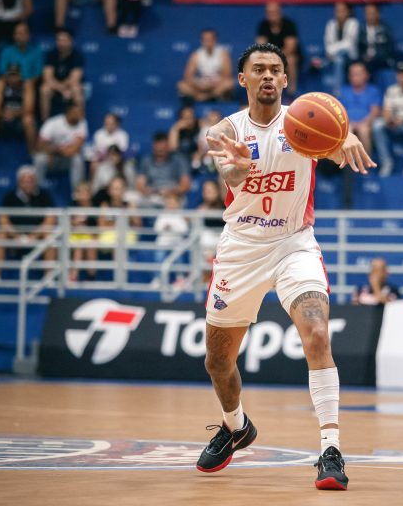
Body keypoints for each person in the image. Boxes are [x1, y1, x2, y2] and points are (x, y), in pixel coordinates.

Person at [195, 42, 376, 490]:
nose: (268, 76)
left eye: (276, 69)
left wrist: (345, 137)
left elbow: (334, 144)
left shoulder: (304, 120)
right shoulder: (225, 130)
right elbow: (230, 176)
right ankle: (235, 426)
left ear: (286, 79)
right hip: (241, 249)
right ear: (243, 79)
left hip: (294, 244)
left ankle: (331, 450)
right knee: (217, 362)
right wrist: (238, 169)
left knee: (317, 333)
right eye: (259, 69)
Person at [0, 165, 55, 285]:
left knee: (50, 236)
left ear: (35, 181)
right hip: (14, 235)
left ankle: (49, 277)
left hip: (37, 235)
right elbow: (3, 220)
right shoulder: (9, 196)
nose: (28, 184)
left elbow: (50, 220)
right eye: (25, 181)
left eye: (31, 181)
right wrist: (17, 236)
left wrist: (33, 236)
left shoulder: (44, 196)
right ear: (19, 182)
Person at [0, 63, 37, 170]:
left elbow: (29, 108)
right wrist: (4, 114)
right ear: (7, 75)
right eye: (11, 75)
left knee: (29, 120)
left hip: (20, 120)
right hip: (3, 118)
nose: (13, 78)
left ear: (20, 75)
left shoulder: (27, 84)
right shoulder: (1, 83)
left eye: (15, 75)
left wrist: (13, 114)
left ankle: (32, 157)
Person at [33, 102, 88, 191]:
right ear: (69, 112)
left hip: (66, 160)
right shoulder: (53, 123)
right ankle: (37, 191)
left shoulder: (82, 123)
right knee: (39, 158)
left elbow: (74, 149)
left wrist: (58, 149)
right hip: (51, 159)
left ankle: (77, 193)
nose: (80, 115)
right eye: (77, 112)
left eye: (81, 112)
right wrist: (56, 150)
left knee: (77, 159)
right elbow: (39, 146)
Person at [177, 29, 234, 103]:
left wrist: (214, 83)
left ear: (215, 40)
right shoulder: (196, 55)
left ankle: (205, 97)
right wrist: (199, 85)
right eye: (206, 39)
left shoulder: (223, 53)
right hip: (201, 84)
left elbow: (227, 75)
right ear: (201, 41)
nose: (208, 42)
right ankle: (204, 97)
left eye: (210, 39)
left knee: (229, 83)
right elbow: (188, 76)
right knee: (181, 85)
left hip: (217, 84)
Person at [135, 131, 191, 206]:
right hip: (152, 195)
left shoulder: (179, 160)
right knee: (133, 201)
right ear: (153, 147)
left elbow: (185, 185)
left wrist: (171, 192)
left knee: (172, 202)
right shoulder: (146, 161)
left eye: (162, 150)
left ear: (168, 147)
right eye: (157, 151)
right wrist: (148, 191)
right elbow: (140, 184)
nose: (160, 153)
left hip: (173, 195)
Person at [256, 2, 301, 95]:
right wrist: (269, 57)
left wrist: (275, 57)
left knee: (291, 60)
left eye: (274, 12)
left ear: (279, 12)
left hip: (286, 56)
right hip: (269, 57)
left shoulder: (289, 25)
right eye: (269, 12)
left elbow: (290, 48)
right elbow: (261, 46)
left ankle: (291, 92)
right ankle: (262, 92)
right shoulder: (263, 25)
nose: (272, 15)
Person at [40, 28, 84, 120]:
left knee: (77, 89)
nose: (61, 43)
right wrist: (62, 90)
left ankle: (80, 122)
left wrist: (65, 88)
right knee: (45, 89)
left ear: (71, 41)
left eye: (64, 40)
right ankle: (45, 122)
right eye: (59, 40)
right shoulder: (51, 54)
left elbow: (74, 78)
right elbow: (48, 77)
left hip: (70, 86)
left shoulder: (77, 56)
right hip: (55, 87)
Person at [338, 61, 381, 155]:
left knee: (363, 130)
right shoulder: (344, 91)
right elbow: (339, 112)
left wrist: (365, 122)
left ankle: (366, 162)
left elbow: (375, 111)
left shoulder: (373, 90)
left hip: (365, 123)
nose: (355, 77)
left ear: (366, 75)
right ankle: (348, 163)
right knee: (348, 131)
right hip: (348, 124)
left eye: (358, 74)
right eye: (353, 74)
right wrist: (348, 123)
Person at [323, 1, 359, 96]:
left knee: (339, 59)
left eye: (342, 10)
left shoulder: (353, 23)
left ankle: (338, 92)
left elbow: (349, 44)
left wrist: (332, 50)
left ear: (348, 12)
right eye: (337, 10)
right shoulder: (331, 24)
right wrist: (331, 51)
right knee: (326, 62)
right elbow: (327, 44)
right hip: (332, 57)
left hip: (351, 57)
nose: (340, 13)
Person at [68, 181, 98, 282]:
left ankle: (91, 276)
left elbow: (97, 229)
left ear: (90, 194)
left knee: (91, 244)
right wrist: (74, 222)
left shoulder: (95, 208)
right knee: (79, 246)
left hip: (90, 237)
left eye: (84, 192)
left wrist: (86, 230)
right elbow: (67, 223)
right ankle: (73, 276)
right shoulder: (72, 206)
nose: (82, 195)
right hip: (74, 236)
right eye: (79, 192)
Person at [357, 3, 395, 76]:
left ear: (378, 14)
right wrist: (363, 57)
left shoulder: (385, 29)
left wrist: (376, 57)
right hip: (365, 60)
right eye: (367, 13)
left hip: (381, 60)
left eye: (372, 13)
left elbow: (390, 49)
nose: (370, 16)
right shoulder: (361, 29)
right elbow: (358, 48)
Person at [167, 105, 200, 179]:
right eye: (186, 118)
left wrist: (199, 153)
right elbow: (172, 148)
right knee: (179, 159)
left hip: (198, 158)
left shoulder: (199, 126)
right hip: (181, 159)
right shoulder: (177, 130)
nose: (189, 121)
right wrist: (175, 129)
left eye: (191, 117)